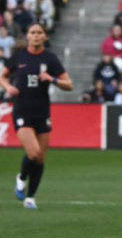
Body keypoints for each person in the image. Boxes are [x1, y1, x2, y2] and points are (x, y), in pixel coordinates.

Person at [0, 23, 74, 210]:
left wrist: (52, 79)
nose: (36, 36)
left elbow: (69, 84)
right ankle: (22, 178)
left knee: (40, 158)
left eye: (39, 33)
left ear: (45, 37)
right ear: (28, 36)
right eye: (32, 32)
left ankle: (31, 198)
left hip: (42, 112)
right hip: (22, 110)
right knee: (33, 152)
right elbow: (3, 76)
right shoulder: (19, 57)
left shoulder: (50, 59)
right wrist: (8, 87)